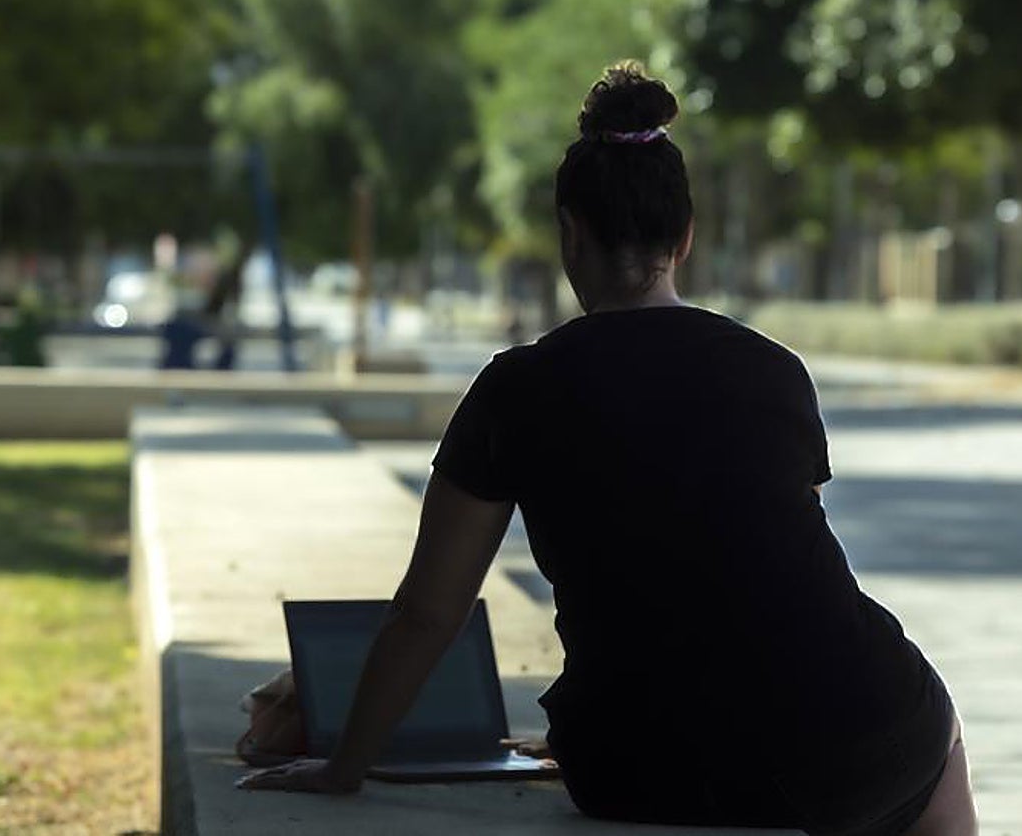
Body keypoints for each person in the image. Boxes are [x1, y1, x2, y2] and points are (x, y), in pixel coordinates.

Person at [236, 62, 979, 836]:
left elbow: (428, 613)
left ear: (570, 231)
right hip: (859, 738)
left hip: (640, 766)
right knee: (938, 733)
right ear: (684, 237)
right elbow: (769, 575)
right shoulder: (774, 370)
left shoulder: (516, 389)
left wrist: (345, 766)